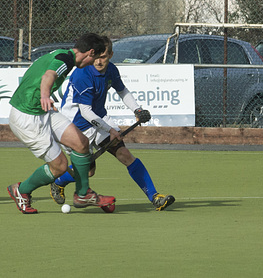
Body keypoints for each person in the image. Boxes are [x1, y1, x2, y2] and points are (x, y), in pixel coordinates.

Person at [52, 36, 176, 211]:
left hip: (98, 119)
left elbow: (122, 90)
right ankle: (59, 182)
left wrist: (137, 110)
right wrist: (110, 129)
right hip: (75, 125)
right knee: (88, 171)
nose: (100, 62)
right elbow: (85, 112)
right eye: (97, 57)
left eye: (104, 57)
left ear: (111, 54)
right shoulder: (82, 73)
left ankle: (155, 196)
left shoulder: (111, 70)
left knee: (125, 154)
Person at [7, 33, 115, 214]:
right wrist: (44, 95)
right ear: (89, 53)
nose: (92, 63)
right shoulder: (65, 59)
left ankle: (83, 194)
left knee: (81, 143)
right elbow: (48, 75)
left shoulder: (66, 54)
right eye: (94, 58)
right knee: (60, 167)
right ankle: (22, 189)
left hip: (43, 111)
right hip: (26, 118)